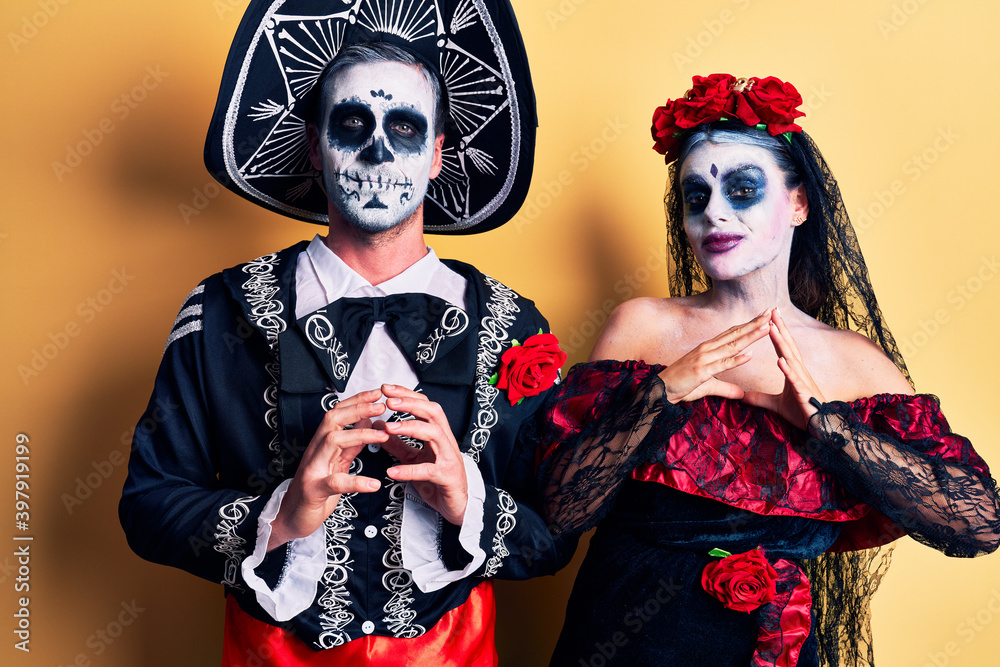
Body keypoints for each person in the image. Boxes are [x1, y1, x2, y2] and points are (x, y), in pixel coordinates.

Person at [119, 2, 571, 665]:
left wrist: (467, 499)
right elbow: (149, 504)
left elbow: (554, 534)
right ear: (314, 145)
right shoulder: (222, 308)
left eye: (407, 127)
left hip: (455, 652)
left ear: (440, 153)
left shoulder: (511, 324)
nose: (378, 150)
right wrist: (280, 515)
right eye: (352, 123)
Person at [529, 74, 1000, 667]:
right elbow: (561, 510)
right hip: (625, 637)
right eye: (696, 198)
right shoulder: (643, 327)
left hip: (776, 642)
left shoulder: (852, 363)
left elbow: (978, 525)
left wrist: (826, 430)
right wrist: (663, 391)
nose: (714, 215)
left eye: (744, 189)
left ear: (799, 203)